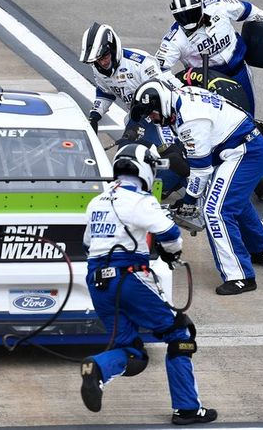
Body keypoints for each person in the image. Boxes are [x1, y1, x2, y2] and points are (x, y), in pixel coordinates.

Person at [80, 143, 217, 425]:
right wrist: (173, 252)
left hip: (97, 283)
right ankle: (187, 408)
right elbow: (169, 232)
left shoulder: (97, 202)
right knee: (180, 334)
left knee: (132, 352)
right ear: (145, 168)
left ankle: (97, 368)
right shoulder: (141, 200)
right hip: (127, 276)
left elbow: (86, 244)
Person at [131, 80, 263, 295]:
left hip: (246, 152)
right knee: (233, 200)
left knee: (216, 210)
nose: (152, 119)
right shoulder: (180, 97)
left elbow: (201, 170)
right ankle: (260, 248)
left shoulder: (191, 120)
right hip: (248, 143)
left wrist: (189, 199)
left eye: (151, 114)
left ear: (159, 105)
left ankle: (240, 276)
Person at [156, 0, 263, 198]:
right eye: (181, 16)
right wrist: (181, 88)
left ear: (200, 6)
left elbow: (246, 9)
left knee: (249, 122)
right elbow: (160, 70)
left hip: (239, 72)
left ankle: (260, 174)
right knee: (221, 127)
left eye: (190, 13)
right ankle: (215, 171)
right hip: (210, 85)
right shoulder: (173, 40)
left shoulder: (218, 5)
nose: (187, 19)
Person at [79, 22, 186, 198]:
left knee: (168, 153)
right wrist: (94, 116)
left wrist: (144, 123)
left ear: (113, 48)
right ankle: (140, 190)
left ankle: (185, 185)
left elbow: (163, 95)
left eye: (104, 56)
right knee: (126, 157)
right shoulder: (97, 68)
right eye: (97, 59)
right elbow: (105, 93)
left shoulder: (141, 62)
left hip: (163, 112)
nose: (102, 62)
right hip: (136, 116)